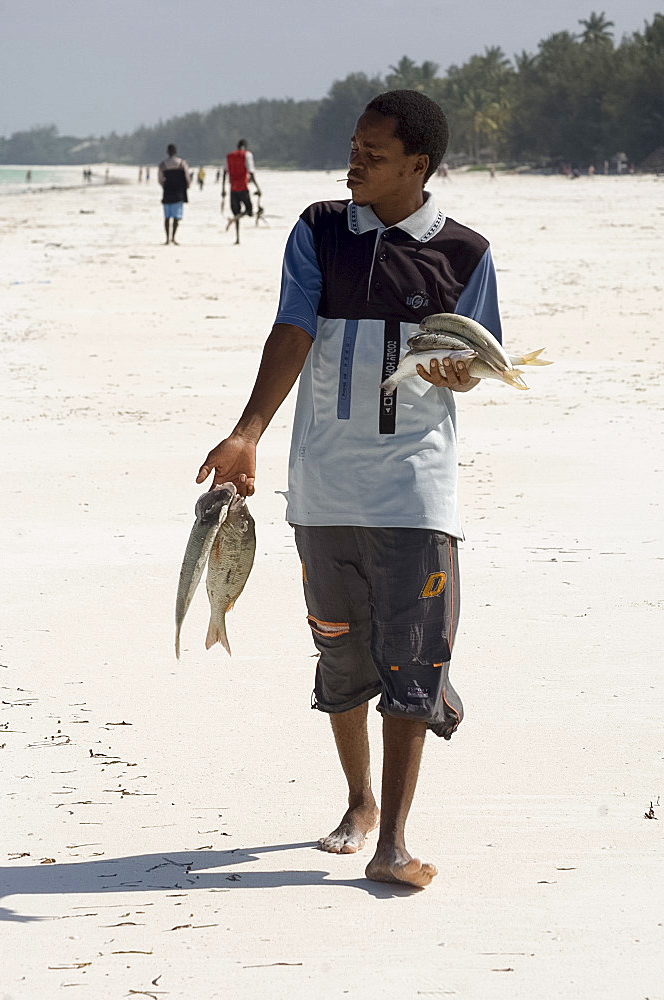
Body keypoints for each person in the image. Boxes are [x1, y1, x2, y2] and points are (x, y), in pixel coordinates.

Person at [197, 90, 503, 888]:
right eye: (354, 146)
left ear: (417, 164)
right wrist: (248, 432)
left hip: (414, 490)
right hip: (323, 487)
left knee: (408, 657)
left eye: (373, 151)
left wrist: (456, 374)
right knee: (338, 658)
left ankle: (392, 840)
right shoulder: (320, 229)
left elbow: (474, 367)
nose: (354, 161)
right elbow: (293, 326)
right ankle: (358, 800)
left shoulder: (464, 253)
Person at [222, 139, 261, 244]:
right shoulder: (247, 155)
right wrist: (258, 188)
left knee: (236, 211)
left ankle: (237, 237)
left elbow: (225, 172)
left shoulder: (229, 156)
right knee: (249, 210)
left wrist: (223, 189)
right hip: (243, 187)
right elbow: (251, 173)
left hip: (232, 188)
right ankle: (235, 218)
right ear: (245, 146)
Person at [158, 143, 191, 245]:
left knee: (167, 217)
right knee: (176, 217)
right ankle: (173, 238)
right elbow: (187, 177)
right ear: (175, 152)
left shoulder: (163, 164)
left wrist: (164, 186)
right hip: (179, 192)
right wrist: (186, 186)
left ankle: (167, 239)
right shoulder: (182, 163)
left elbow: (160, 179)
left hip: (167, 192)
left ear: (167, 152)